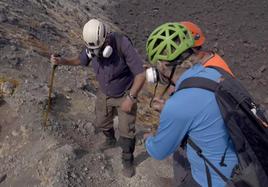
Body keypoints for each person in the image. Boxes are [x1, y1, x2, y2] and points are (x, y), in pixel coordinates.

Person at [144, 22, 238, 187]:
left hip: (212, 180)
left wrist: (148, 140)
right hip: (242, 167)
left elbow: (159, 152)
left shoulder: (177, 105)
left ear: (163, 66)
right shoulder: (214, 72)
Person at [50, 18, 145, 178]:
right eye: (93, 50)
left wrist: (131, 97)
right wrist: (62, 61)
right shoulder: (92, 47)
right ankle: (110, 139)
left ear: (106, 38)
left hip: (124, 94)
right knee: (101, 122)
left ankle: (127, 159)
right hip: (104, 93)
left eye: (100, 48)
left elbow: (141, 74)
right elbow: (80, 60)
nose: (97, 53)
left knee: (126, 131)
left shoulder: (122, 44)